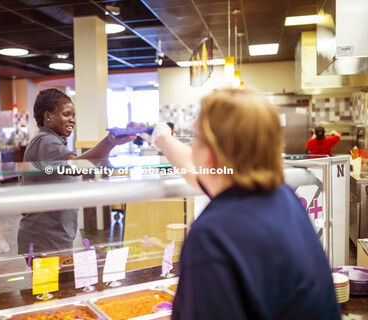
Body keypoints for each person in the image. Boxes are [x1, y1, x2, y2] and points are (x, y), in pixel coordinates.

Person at [143, 89, 340, 319]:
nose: (192, 146)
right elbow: (201, 171)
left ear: (210, 154)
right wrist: (163, 139)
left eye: (195, 137)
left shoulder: (211, 238)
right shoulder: (284, 198)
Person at [17, 88, 134, 256]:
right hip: (44, 237)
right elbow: (76, 166)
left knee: (60, 282)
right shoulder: (46, 141)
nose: (72, 120)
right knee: (50, 283)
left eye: (73, 115)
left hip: (53, 235)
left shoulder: (52, 141)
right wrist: (109, 142)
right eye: (66, 114)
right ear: (48, 116)